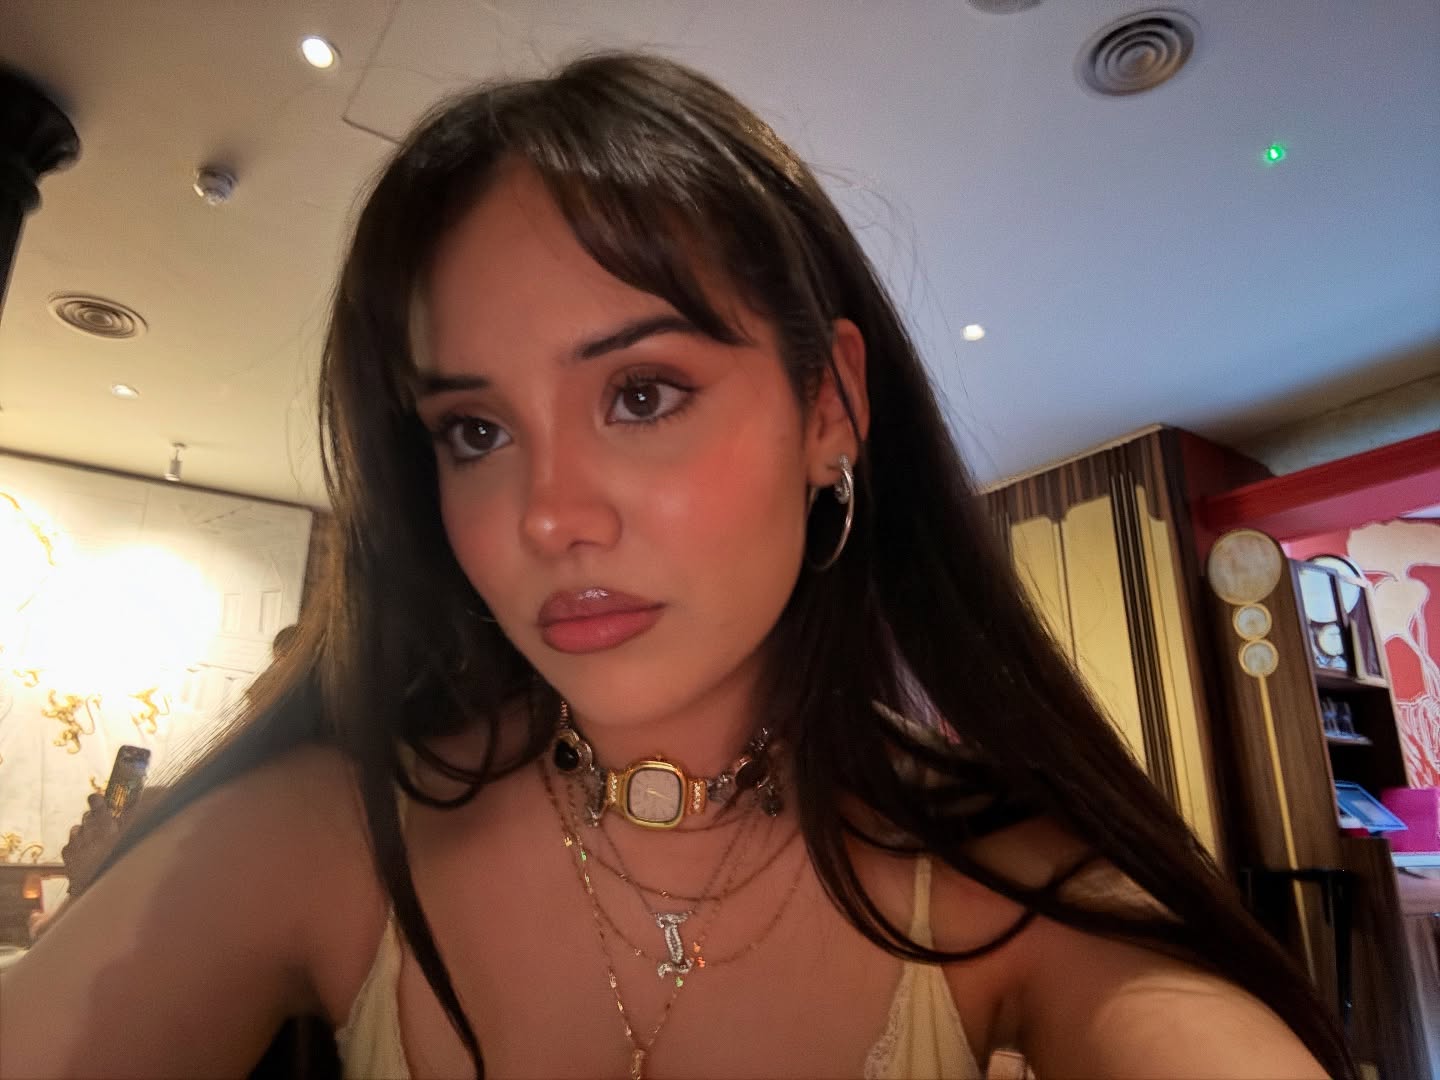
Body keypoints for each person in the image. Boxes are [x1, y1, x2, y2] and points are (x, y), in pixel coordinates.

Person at [0, 52, 1351, 1079]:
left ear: (830, 406)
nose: (547, 518)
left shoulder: (1011, 890)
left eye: (640, 394)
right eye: (475, 431)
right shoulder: (325, 841)